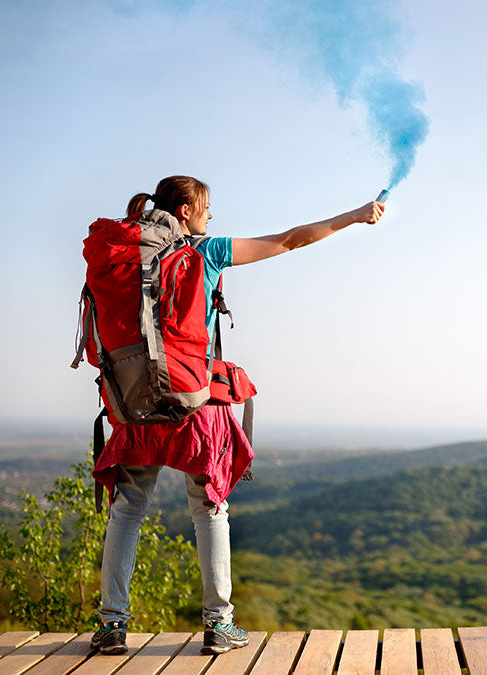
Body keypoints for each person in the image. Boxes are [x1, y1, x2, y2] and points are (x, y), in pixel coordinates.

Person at [88, 175, 383, 655]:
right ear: (184, 211)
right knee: (209, 508)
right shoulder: (205, 252)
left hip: (133, 406)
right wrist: (353, 216)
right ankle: (218, 623)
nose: (210, 216)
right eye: (205, 207)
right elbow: (289, 240)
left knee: (127, 511)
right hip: (192, 403)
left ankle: (113, 626)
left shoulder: (120, 254)